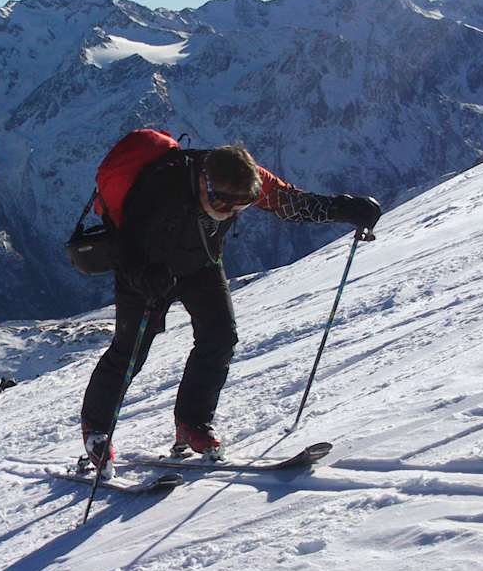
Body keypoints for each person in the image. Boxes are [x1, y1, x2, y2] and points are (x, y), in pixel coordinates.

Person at [81, 141, 380, 477]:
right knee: (130, 351)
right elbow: (126, 244)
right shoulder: (162, 186)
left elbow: (291, 203)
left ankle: (193, 422)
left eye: (242, 205)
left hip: (201, 265)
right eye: (223, 202)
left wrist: (348, 209)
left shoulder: (244, 179)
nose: (231, 211)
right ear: (205, 182)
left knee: (220, 336)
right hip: (149, 269)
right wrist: (143, 276)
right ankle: (96, 430)